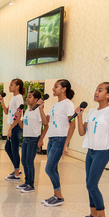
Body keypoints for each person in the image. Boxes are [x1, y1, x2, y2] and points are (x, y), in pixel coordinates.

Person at [74, 82, 109, 217]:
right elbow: (82, 132)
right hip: (91, 151)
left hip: (102, 152)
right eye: (95, 89)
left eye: (100, 90)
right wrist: (79, 116)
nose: (95, 92)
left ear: (108, 95)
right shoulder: (93, 111)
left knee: (92, 184)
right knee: (89, 184)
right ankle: (93, 215)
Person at [39, 79, 76, 207]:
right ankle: (56, 195)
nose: (53, 89)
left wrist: (66, 144)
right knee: (53, 168)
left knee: (49, 168)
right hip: (52, 139)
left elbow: (72, 125)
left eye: (56, 86)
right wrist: (40, 108)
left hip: (60, 139)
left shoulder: (68, 104)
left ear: (64, 89)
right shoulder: (55, 106)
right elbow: (45, 122)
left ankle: (59, 196)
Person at [15, 90, 48, 193]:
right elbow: (22, 126)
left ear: (36, 99)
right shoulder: (27, 111)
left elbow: (46, 124)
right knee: (24, 161)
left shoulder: (39, 111)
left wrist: (41, 139)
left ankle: (31, 185)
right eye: (27, 97)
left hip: (34, 139)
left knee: (29, 162)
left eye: (30, 97)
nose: (27, 99)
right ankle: (26, 182)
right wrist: (18, 117)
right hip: (25, 138)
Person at [0, 79, 26, 181]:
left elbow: (19, 114)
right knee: (8, 148)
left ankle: (16, 174)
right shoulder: (14, 98)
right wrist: (2, 102)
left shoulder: (19, 98)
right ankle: (16, 169)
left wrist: (11, 128)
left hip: (16, 126)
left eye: (12, 85)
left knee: (13, 149)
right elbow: (6, 112)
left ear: (17, 86)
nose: (9, 87)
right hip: (12, 126)